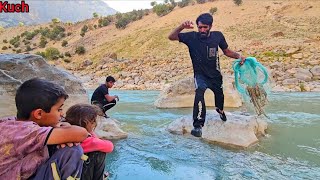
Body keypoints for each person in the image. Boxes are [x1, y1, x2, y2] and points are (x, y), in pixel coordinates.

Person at [168, 13, 246, 137]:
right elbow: (171, 37)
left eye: (205, 27)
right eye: (200, 27)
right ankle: (198, 125)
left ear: (210, 26)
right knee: (200, 90)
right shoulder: (192, 37)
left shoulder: (218, 36)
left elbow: (226, 51)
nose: (202, 30)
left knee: (219, 96)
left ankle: (220, 110)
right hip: (200, 75)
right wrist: (181, 26)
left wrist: (239, 56)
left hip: (215, 75)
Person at [0, 78, 89, 180]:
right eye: (59, 109)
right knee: (72, 151)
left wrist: (59, 129)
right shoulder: (28, 131)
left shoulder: (12, 124)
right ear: (39, 114)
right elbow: (82, 133)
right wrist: (64, 131)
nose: (62, 114)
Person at [64, 103, 114, 180]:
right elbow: (110, 146)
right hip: (80, 174)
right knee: (99, 153)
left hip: (65, 172)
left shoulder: (63, 133)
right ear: (86, 123)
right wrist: (90, 133)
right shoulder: (87, 141)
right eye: (93, 121)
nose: (95, 124)